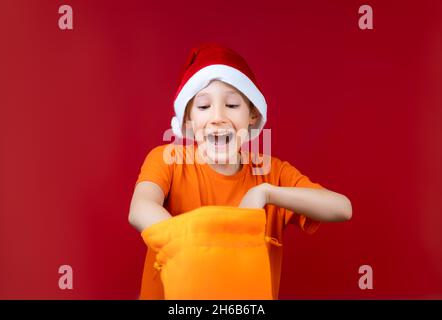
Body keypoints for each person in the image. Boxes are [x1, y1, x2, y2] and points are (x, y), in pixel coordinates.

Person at [128, 42, 352, 300]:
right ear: (188, 119)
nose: (218, 117)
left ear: (252, 116)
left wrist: (267, 193)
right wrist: (199, 248)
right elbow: (140, 209)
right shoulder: (167, 160)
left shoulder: (270, 173)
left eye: (232, 105)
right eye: (203, 107)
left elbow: (341, 208)